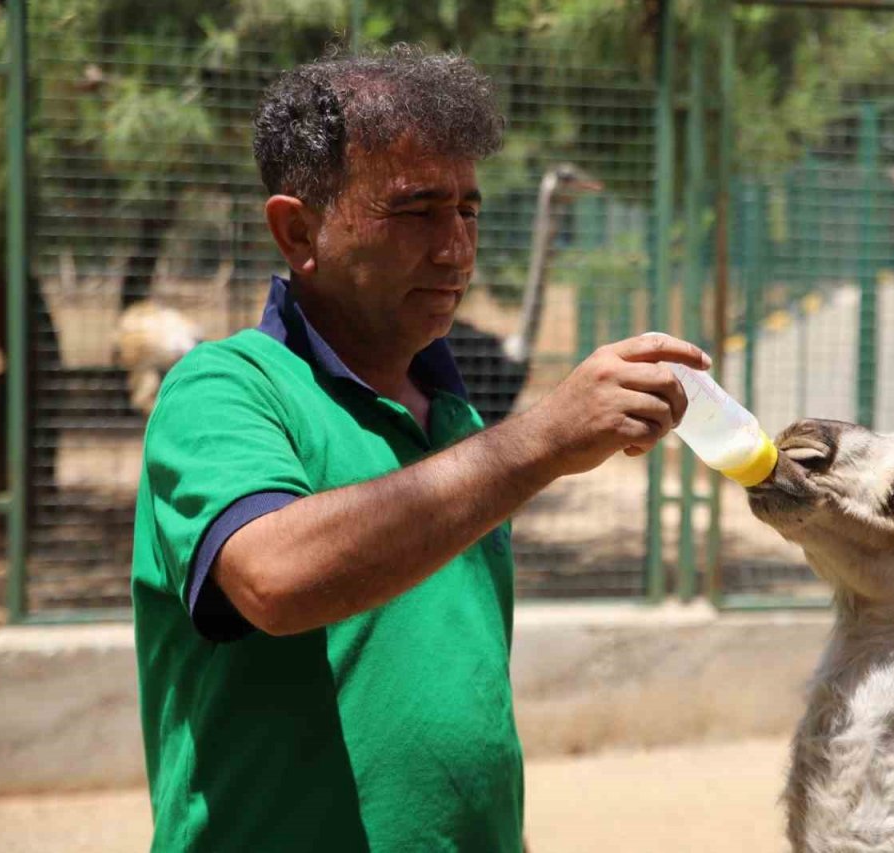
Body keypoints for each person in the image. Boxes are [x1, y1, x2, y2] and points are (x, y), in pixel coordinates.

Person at [130, 45, 708, 852]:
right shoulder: (226, 389)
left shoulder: (456, 423)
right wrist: (540, 440)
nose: (455, 248)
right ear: (298, 230)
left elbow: (463, 715)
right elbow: (275, 578)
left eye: (468, 210)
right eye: (415, 211)